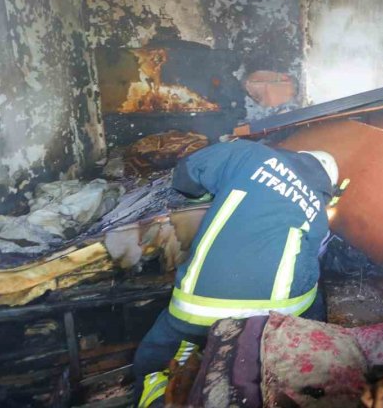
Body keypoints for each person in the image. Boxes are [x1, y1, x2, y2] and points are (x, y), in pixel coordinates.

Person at [133, 139, 338, 406]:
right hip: (277, 317)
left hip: (205, 306)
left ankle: (158, 396)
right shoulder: (319, 214)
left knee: (157, 361)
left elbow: (189, 171)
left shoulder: (252, 154)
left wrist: (200, 194)